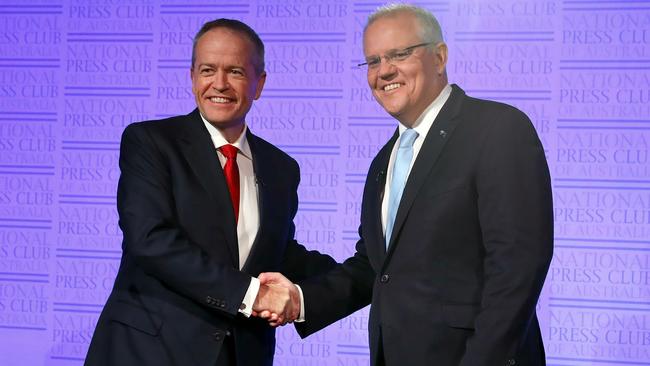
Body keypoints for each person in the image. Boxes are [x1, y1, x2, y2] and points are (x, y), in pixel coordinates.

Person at [260, 4, 553, 366]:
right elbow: (376, 269)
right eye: (372, 61)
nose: (384, 71)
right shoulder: (384, 161)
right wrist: (302, 300)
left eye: (399, 54)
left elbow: (517, 267)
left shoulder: (497, 129)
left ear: (440, 57)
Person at [84, 19, 336, 366]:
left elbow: (276, 255)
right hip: (148, 352)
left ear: (258, 83)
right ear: (192, 77)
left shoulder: (281, 168)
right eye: (207, 70)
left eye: (234, 71)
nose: (219, 84)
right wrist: (253, 295)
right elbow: (150, 240)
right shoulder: (151, 142)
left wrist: (372, 276)